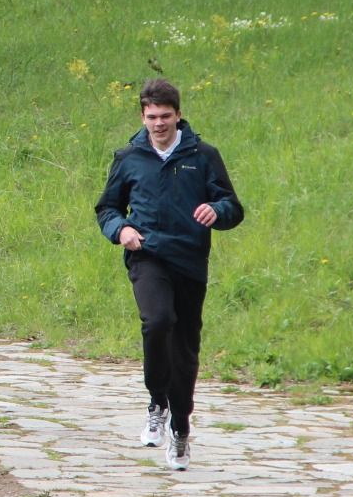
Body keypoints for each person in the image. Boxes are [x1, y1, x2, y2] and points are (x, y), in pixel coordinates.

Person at [95, 78, 244, 471]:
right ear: (142, 117)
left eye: (165, 116)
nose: (158, 124)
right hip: (147, 255)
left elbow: (232, 205)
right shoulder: (129, 157)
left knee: (185, 350)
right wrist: (121, 230)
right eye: (151, 117)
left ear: (178, 115)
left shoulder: (203, 155)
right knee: (157, 321)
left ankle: (180, 428)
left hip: (190, 261)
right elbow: (107, 208)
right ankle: (156, 401)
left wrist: (217, 212)